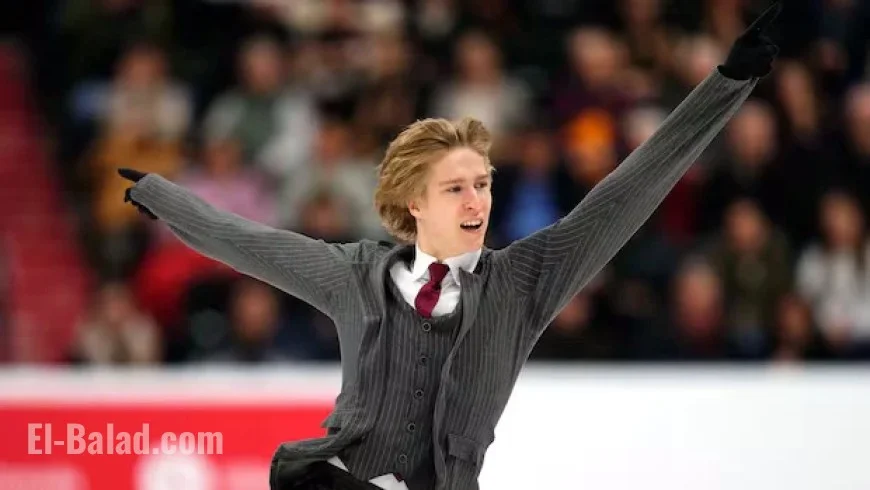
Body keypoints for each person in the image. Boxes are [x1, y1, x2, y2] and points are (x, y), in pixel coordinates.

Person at [118, 4, 782, 489]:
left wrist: (726, 84)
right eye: (456, 188)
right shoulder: (355, 273)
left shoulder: (525, 281)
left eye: (484, 185)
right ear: (414, 202)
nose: (477, 202)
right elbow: (247, 241)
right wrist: (160, 195)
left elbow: (629, 191)